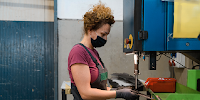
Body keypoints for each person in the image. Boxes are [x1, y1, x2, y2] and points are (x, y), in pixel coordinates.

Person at [68, 2, 138, 100]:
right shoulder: (78, 52)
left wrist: (119, 90)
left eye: (107, 35)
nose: (105, 39)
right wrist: (119, 94)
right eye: (102, 34)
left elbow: (101, 88)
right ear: (90, 30)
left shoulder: (93, 52)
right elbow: (85, 93)